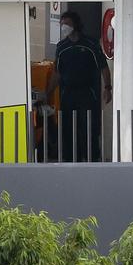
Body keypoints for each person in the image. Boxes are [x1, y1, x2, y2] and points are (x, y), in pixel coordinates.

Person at [46, 11, 110, 162]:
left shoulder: (90, 44)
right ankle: (69, 162)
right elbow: (57, 72)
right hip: (67, 93)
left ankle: (91, 161)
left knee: (88, 129)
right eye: (62, 24)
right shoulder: (62, 47)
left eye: (66, 24)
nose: (63, 27)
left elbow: (103, 67)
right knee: (67, 130)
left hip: (87, 93)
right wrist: (48, 92)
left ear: (75, 24)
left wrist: (108, 88)